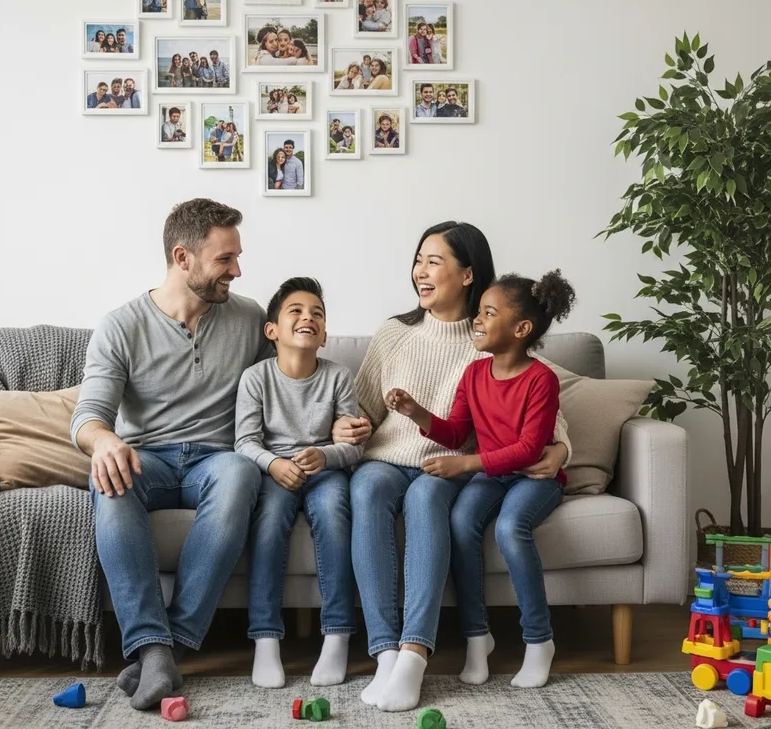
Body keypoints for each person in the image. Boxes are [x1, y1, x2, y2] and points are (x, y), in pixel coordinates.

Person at [333, 222, 571, 713]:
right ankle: (384, 653)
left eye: (433, 261)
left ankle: (414, 653)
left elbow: (546, 415)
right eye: (418, 259)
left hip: (443, 468)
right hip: (386, 459)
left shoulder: (489, 336)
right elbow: (359, 410)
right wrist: (346, 428)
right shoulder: (394, 334)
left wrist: (561, 449)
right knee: (368, 489)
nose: (420, 271)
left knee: (425, 497)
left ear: (467, 274)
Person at [71, 199, 273, 711]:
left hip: (216, 459)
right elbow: (88, 417)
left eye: (238, 257)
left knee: (240, 476)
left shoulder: (248, 317)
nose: (238, 270)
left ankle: (163, 652)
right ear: (183, 258)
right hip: (149, 460)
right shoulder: (121, 325)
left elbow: (286, 383)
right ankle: (157, 648)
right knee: (108, 479)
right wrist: (106, 441)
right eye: (225, 259)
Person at [388, 270, 576, 690]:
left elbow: (530, 449)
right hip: (494, 477)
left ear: (521, 329)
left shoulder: (541, 379)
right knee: (459, 523)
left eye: (489, 313)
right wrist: (417, 412)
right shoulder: (474, 374)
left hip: (533, 479)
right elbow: (455, 431)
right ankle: (478, 637)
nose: (477, 319)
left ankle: (539, 640)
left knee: (511, 528)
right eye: (480, 311)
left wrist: (466, 464)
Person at [236, 277, 363, 688]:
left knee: (334, 514)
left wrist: (325, 454)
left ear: (324, 335)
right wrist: (274, 465)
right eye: (296, 311)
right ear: (271, 331)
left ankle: (337, 636)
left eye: (317, 314)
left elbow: (355, 446)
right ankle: (266, 641)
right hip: (276, 474)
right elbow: (245, 442)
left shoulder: (339, 377)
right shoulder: (255, 379)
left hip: (325, 472)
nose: (308, 317)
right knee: (269, 523)